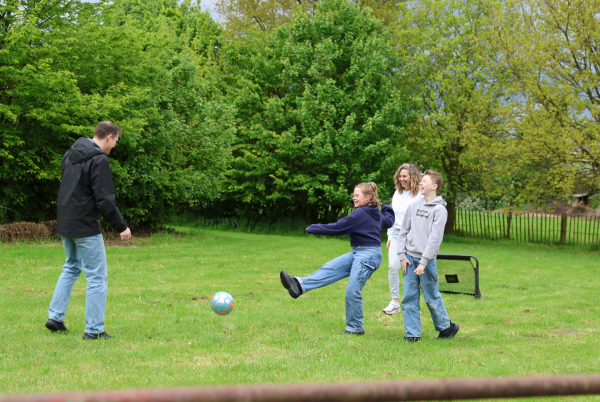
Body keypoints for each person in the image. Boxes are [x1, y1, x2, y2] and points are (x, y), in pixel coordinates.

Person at [46, 121, 132, 340]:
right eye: (115, 142)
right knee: (96, 277)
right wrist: (121, 226)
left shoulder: (70, 153)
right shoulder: (99, 160)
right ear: (109, 137)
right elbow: (104, 200)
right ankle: (93, 330)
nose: (114, 148)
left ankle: (55, 318)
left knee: (71, 267)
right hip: (84, 226)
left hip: (66, 223)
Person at [280, 183, 395, 335]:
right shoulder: (374, 213)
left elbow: (338, 227)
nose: (354, 198)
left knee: (352, 291)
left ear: (367, 198)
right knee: (330, 268)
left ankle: (355, 329)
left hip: (368, 255)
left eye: (357, 195)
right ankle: (299, 285)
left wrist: (315, 228)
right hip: (360, 252)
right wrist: (387, 208)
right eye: (353, 195)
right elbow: (388, 221)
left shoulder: (359, 214)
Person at [397, 170, 459, 342]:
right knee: (409, 297)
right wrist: (402, 256)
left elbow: (435, 239)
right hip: (409, 259)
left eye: (424, 181)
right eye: (421, 180)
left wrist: (423, 263)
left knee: (431, 298)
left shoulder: (440, 210)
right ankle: (413, 335)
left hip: (427, 262)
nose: (421, 183)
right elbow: (403, 232)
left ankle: (446, 328)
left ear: (434, 186)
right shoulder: (414, 205)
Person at [382, 163, 421, 315]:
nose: (401, 179)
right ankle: (395, 302)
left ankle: (412, 304)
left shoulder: (419, 195)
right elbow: (392, 215)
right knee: (392, 266)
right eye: (400, 176)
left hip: (412, 235)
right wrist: (390, 235)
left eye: (405, 176)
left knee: (410, 270)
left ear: (412, 176)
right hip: (397, 234)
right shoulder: (397, 194)